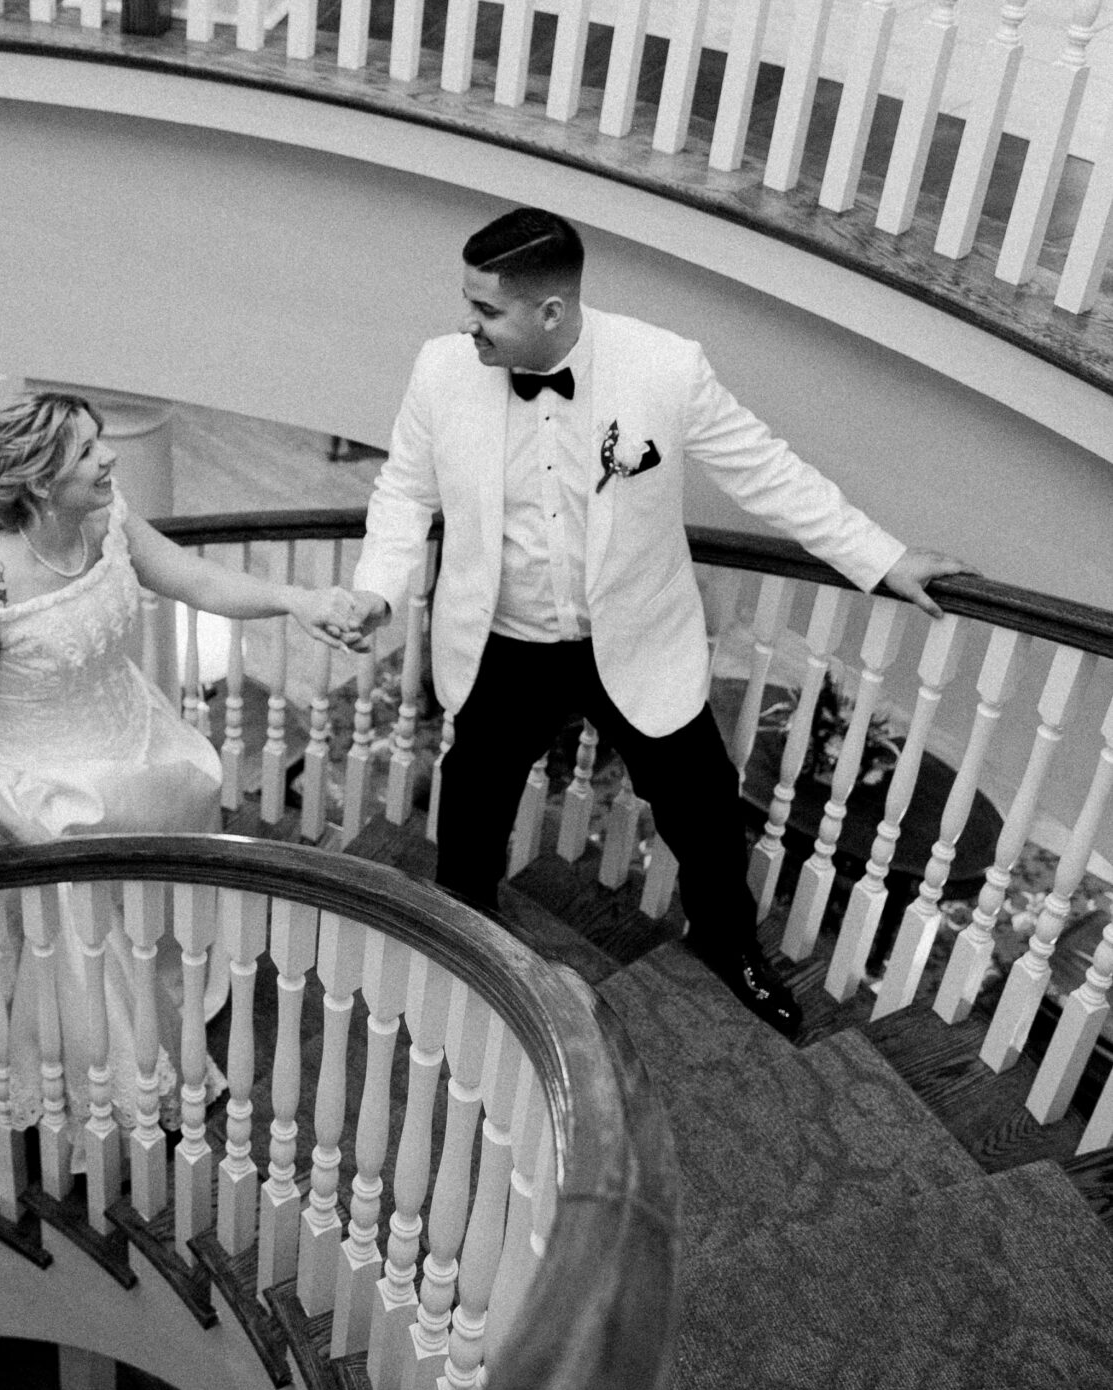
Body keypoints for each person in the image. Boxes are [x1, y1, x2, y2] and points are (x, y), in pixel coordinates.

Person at [328, 209, 960, 1039]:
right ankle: (463, 938)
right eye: (468, 303)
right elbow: (404, 492)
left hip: (631, 639)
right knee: (474, 801)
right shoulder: (440, 371)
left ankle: (729, 944)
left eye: (486, 311)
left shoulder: (665, 367)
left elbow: (768, 473)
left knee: (700, 805)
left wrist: (882, 558)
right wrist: (376, 587)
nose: (465, 324)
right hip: (502, 642)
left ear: (550, 312)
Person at [0, 390, 348, 1136]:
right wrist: (19, 829)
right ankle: (101, 1098)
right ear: (40, 482)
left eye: (100, 441)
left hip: (140, 749)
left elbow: (192, 579)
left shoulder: (105, 520)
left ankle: (167, 1002)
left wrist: (293, 600)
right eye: (86, 451)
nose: (108, 457)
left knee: (147, 913)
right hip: (43, 793)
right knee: (77, 954)